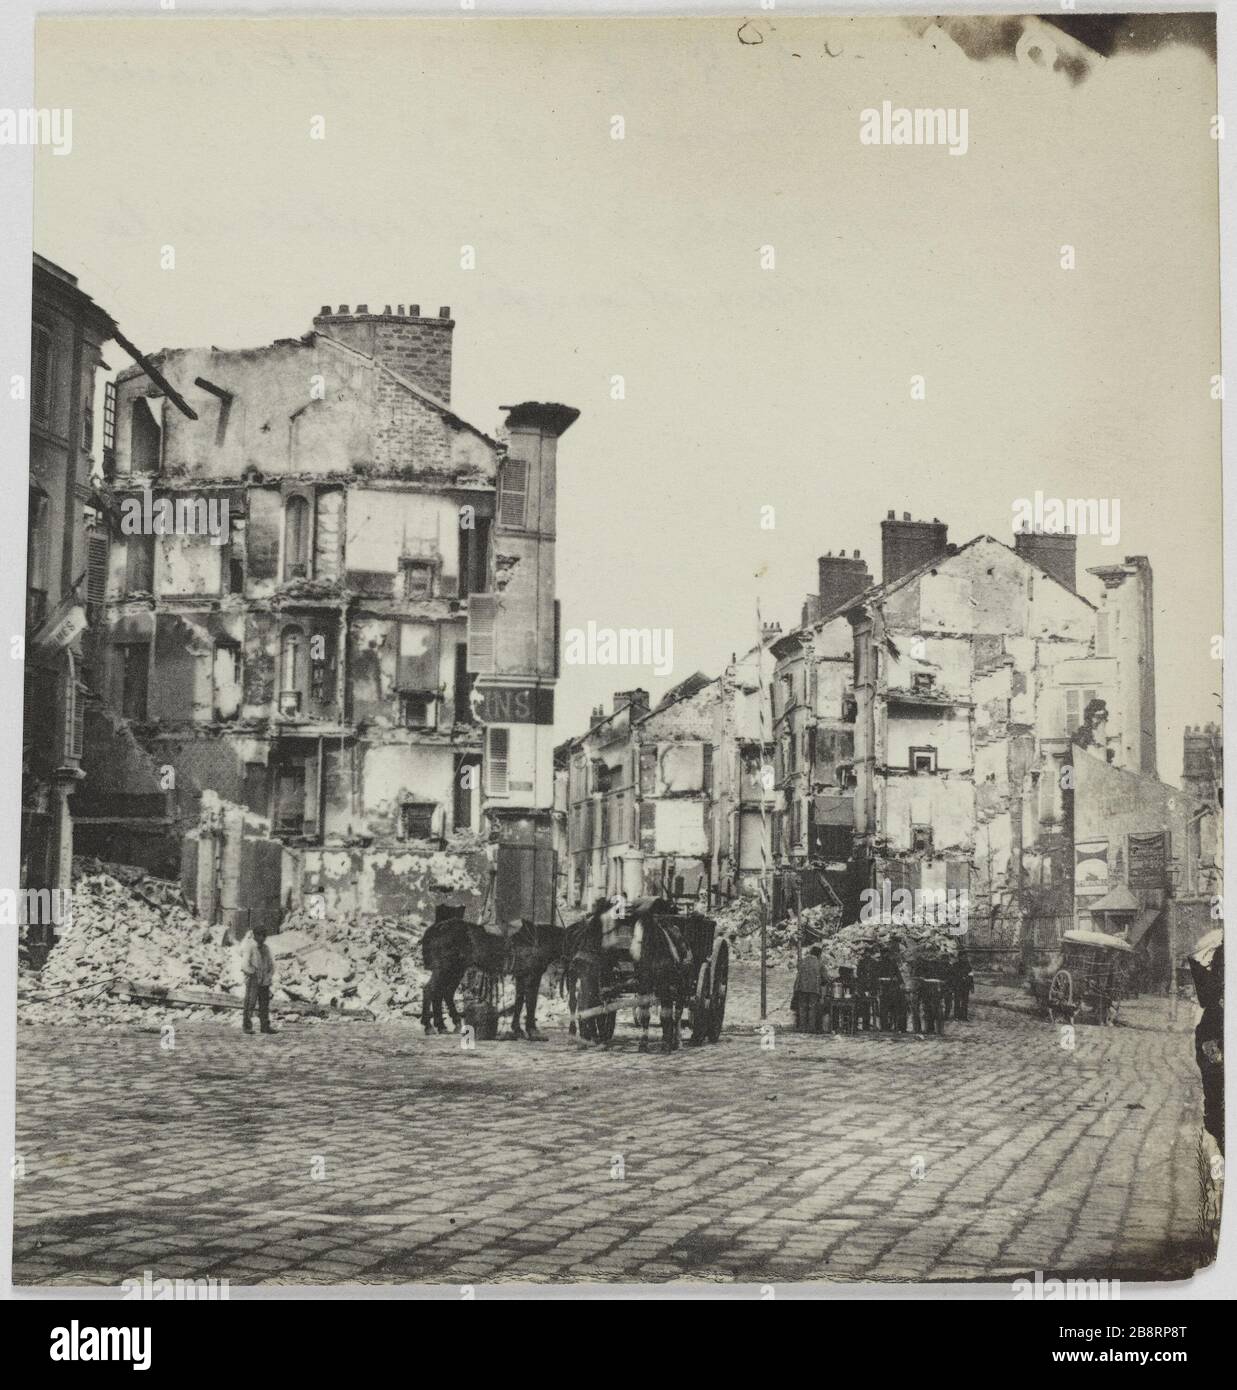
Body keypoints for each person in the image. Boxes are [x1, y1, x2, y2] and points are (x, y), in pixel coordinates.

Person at [242, 925, 277, 1035]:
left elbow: (272, 965)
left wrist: (269, 975)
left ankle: (265, 1026)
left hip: (265, 980)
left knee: (264, 1005)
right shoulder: (250, 947)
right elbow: (244, 965)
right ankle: (247, 1026)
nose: (262, 938)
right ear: (255, 936)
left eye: (264, 936)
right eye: (260, 935)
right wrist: (253, 973)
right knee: (250, 1003)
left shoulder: (266, 949)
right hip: (253, 979)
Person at [792, 946, 824, 1033]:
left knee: (802, 1007)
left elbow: (798, 969)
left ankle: (802, 1027)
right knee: (812, 1008)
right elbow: (824, 976)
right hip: (813, 988)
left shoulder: (802, 960)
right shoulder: (819, 963)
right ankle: (811, 1028)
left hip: (801, 987)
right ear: (819, 954)